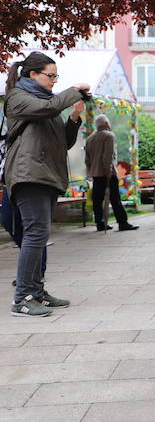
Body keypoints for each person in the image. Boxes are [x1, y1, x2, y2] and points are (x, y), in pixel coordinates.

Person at [3, 52, 88, 317]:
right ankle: (22, 298)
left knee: (40, 234)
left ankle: (37, 292)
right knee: (35, 233)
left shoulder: (48, 102)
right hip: (28, 173)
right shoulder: (18, 98)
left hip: (45, 174)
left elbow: (63, 142)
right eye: (50, 75)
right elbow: (46, 109)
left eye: (56, 76)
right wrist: (72, 91)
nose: (53, 80)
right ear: (32, 74)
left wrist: (74, 118)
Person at [84, 114, 139, 232]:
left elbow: (87, 158)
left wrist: (90, 170)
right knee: (115, 198)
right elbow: (108, 156)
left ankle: (100, 223)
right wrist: (108, 171)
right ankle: (122, 222)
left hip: (96, 173)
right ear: (106, 124)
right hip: (107, 173)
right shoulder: (109, 136)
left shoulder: (90, 138)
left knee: (97, 200)